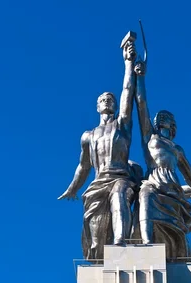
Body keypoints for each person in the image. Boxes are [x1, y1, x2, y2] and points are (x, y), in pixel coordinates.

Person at [58, 39, 142, 260]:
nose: (107, 100)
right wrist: (72, 189)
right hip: (97, 183)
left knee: (120, 195)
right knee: (96, 238)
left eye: (110, 99)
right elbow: (83, 166)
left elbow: (127, 90)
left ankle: (121, 243)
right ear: (97, 106)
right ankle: (101, 259)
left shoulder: (123, 125)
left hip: (120, 177)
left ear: (115, 105)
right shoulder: (88, 135)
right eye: (103, 99)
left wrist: (128, 62)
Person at [132, 60, 191, 259]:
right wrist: (140, 78)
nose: (160, 118)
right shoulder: (150, 139)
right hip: (154, 185)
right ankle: (146, 245)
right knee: (144, 193)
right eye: (159, 117)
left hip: (173, 191)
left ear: (173, 125)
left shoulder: (177, 150)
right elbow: (142, 105)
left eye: (166, 117)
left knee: (177, 232)